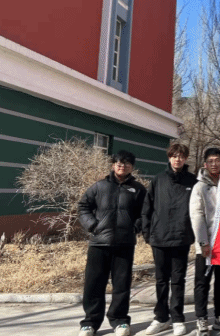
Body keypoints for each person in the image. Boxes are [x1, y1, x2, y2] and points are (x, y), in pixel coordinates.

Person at [77, 150, 147, 336]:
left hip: (124, 244)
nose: (122, 166)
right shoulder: (99, 187)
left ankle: (120, 321)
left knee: (121, 285)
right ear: (113, 165)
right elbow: (83, 206)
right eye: (118, 162)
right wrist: (93, 225)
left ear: (132, 167)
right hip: (98, 244)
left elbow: (145, 212)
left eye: (126, 163)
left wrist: (135, 227)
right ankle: (90, 323)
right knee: (93, 285)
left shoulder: (138, 189)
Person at [142, 143, 197, 336]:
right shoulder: (158, 179)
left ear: (185, 158)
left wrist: (193, 234)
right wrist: (147, 233)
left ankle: (178, 318)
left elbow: (199, 210)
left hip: (181, 237)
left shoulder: (192, 181)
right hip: (159, 238)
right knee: (161, 280)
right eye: (174, 156)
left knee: (178, 280)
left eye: (181, 156)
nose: (177, 159)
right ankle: (161, 318)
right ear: (169, 157)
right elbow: (147, 208)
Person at [189, 148, 220, 336]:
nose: (214, 164)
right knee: (202, 282)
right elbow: (197, 215)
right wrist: (203, 243)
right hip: (206, 244)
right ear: (205, 164)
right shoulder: (199, 187)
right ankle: (201, 319)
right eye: (210, 161)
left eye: (217, 160)